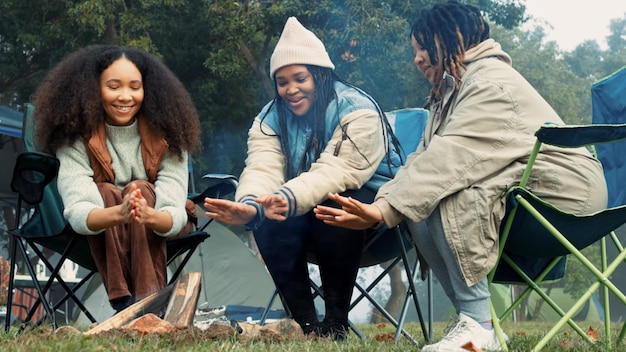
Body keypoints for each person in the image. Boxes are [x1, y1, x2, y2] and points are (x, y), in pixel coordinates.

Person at [313, 1, 608, 351]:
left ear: (451, 38)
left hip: (566, 194)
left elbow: (449, 158)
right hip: (525, 192)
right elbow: (421, 161)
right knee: (415, 210)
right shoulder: (448, 94)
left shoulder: (489, 83)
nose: (417, 59)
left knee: (444, 191)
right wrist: (385, 205)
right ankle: (476, 322)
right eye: (415, 51)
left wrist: (381, 212)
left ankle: (478, 326)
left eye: (423, 47)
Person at [203, 17, 399, 340]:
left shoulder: (357, 109)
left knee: (332, 199)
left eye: (300, 78)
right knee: (269, 215)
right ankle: (306, 326)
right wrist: (252, 205)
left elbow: (334, 172)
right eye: (282, 82)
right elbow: (262, 169)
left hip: (374, 218)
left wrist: (286, 198)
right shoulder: (269, 119)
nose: (291, 89)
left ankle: (335, 324)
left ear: (320, 75)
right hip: (306, 210)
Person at [32, 45, 201, 313]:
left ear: (147, 90)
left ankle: (139, 305)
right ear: (92, 89)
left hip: (164, 227)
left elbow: (174, 211)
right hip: (101, 231)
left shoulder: (169, 135)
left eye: (135, 87)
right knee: (106, 192)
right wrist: (120, 213)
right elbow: (78, 210)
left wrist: (146, 215)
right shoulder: (76, 138)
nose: (125, 96)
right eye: (113, 86)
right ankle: (139, 305)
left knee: (139, 189)